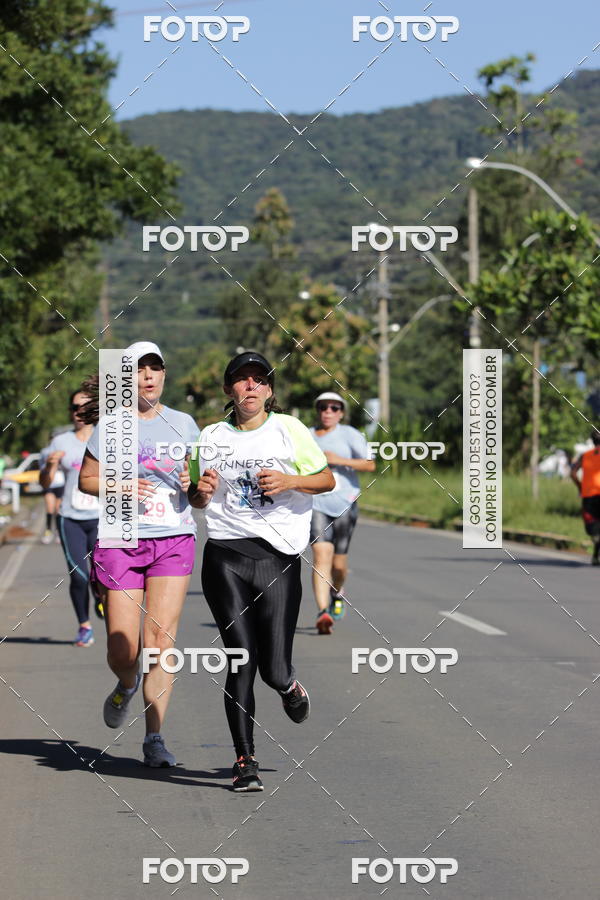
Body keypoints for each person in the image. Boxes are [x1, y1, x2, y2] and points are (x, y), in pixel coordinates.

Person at [188, 351, 334, 792]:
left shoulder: (289, 429)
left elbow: (326, 480)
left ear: (269, 390)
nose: (250, 386)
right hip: (225, 556)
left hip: (278, 557)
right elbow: (197, 499)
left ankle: (288, 685)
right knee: (240, 660)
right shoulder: (209, 436)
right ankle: (244, 760)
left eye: (258, 380)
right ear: (229, 390)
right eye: (241, 380)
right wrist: (201, 491)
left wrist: (290, 481)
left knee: (271, 669)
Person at [79, 342, 200, 767]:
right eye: (138, 369)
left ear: (165, 375)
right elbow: (86, 481)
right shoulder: (110, 426)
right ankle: (125, 684)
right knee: (123, 650)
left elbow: (202, 493)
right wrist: (120, 485)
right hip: (120, 537)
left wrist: (197, 484)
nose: (148, 376)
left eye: (155, 368)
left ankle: (154, 738)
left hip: (172, 536)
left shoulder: (185, 424)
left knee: (160, 641)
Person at [39, 388, 102, 646]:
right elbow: (44, 482)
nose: (80, 412)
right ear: (70, 411)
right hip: (70, 518)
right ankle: (84, 626)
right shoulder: (60, 442)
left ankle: (101, 599)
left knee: (103, 576)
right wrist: (51, 465)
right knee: (79, 575)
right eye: (75, 408)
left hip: (102, 518)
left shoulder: (107, 438)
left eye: (85, 407)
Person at [309, 392, 375, 634]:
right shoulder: (306, 435)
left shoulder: (349, 434)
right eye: (323, 407)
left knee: (339, 565)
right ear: (317, 410)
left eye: (334, 408)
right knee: (320, 556)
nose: (328, 411)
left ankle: (337, 592)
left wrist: (339, 459)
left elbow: (370, 463)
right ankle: (323, 611)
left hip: (345, 503)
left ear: (341, 412)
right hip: (315, 503)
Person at [571, 432, 600, 565]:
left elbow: (573, 473)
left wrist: (580, 487)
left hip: (588, 495)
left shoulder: (585, 455)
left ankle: (595, 556)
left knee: (593, 528)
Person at [39, 443, 66, 544]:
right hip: (49, 484)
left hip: (60, 483)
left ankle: (58, 532)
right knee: (50, 508)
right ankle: (48, 531)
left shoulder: (63, 451)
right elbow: (41, 467)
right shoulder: (45, 451)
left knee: (58, 509)